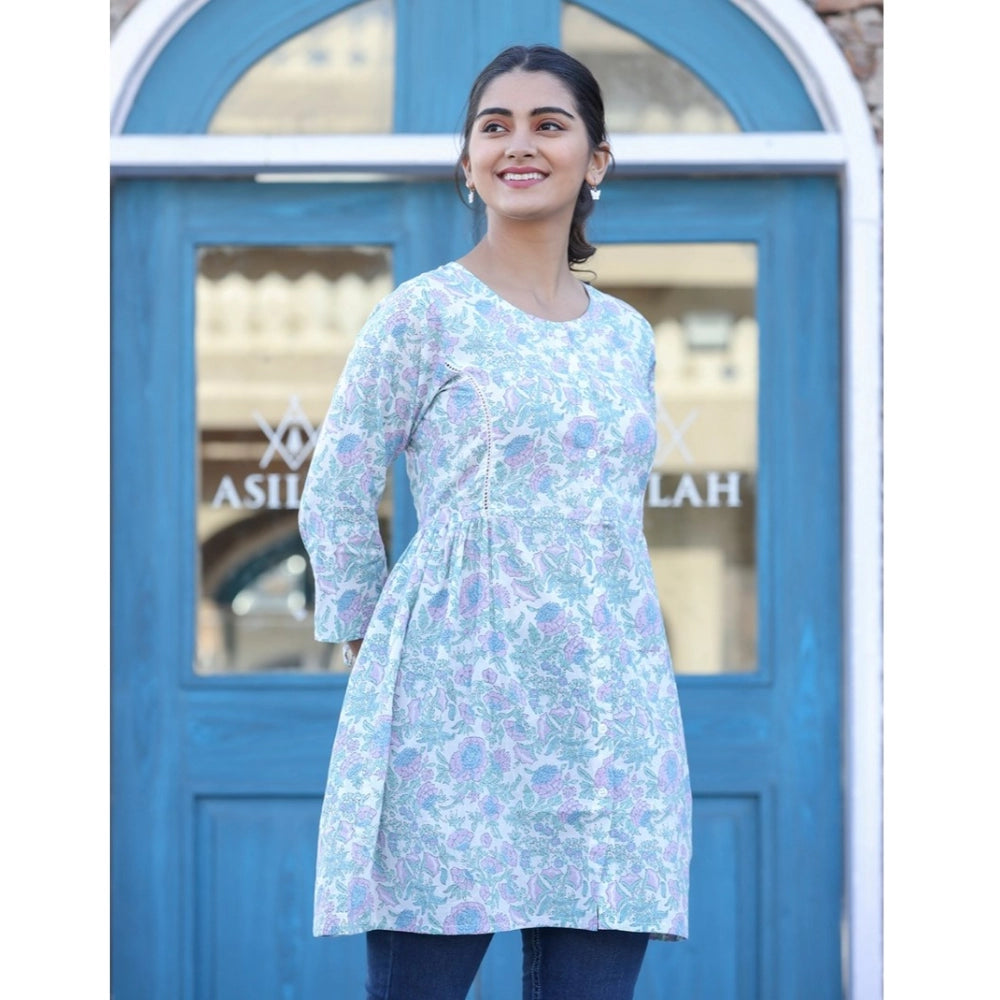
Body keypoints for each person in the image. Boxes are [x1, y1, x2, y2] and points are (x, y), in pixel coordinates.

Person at [299, 43, 692, 1000]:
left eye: (549, 125)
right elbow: (336, 488)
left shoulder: (628, 336)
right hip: (456, 706)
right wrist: (379, 647)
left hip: (607, 710)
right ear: (468, 161)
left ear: (596, 159)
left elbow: (614, 512)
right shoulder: (424, 315)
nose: (520, 144)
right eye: (494, 126)